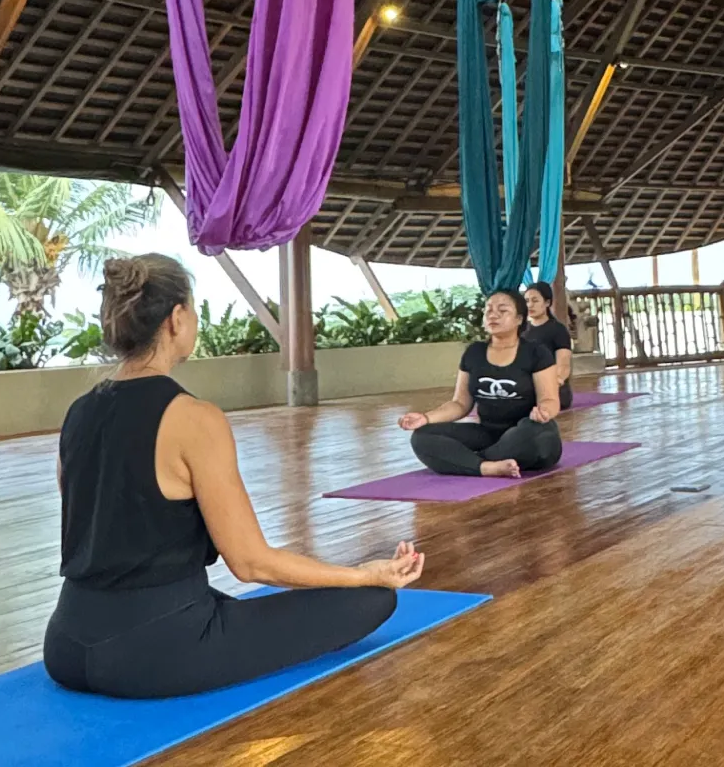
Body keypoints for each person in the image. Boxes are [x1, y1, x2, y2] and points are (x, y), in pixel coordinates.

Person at [44, 255, 424, 699]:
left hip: (66, 645)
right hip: (152, 655)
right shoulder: (194, 418)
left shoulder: (78, 413)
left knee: (219, 608)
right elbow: (250, 563)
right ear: (177, 319)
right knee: (374, 601)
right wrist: (364, 574)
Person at [399, 289, 563, 478]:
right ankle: (487, 467)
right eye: (488, 310)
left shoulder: (536, 352)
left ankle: (469, 462)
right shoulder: (474, 352)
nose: (493, 315)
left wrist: (543, 412)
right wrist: (425, 418)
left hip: (527, 432)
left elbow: (550, 400)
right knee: (422, 436)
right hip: (487, 433)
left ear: (519, 319)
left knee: (537, 435)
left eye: (502, 311)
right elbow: (460, 404)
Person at [523, 281, 574, 410]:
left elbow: (563, 365)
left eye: (535, 301)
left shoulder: (558, 330)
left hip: (553, 390)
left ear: (547, 302)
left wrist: (549, 386)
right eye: (527, 301)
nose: (530, 305)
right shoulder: (522, 331)